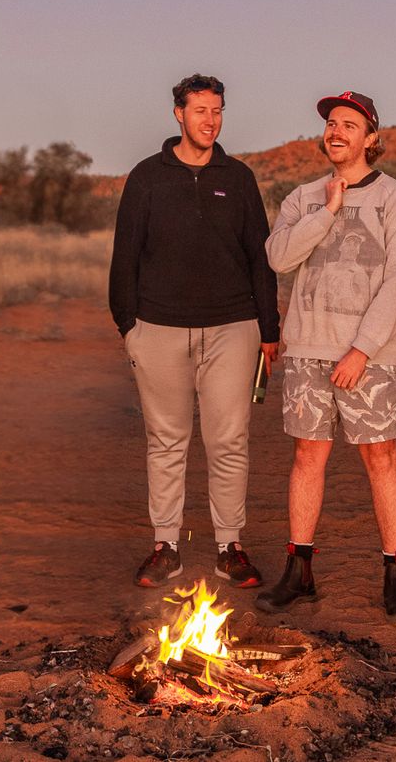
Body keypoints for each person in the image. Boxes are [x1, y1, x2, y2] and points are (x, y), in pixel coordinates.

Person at [109, 74, 280, 589]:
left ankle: (231, 547)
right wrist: (128, 326)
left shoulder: (240, 177)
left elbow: (260, 257)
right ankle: (166, 547)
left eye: (218, 110)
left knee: (229, 440)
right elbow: (125, 256)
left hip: (233, 328)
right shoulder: (147, 178)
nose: (211, 120)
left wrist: (268, 330)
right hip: (158, 329)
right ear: (178, 114)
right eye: (201, 110)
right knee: (166, 440)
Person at [260, 91, 396, 623]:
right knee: (308, 456)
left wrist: (362, 349)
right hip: (308, 348)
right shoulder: (304, 196)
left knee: (381, 458)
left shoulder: (394, 199)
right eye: (332, 123)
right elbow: (278, 257)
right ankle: (299, 569)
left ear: (371, 139)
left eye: (349, 125)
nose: (336, 131)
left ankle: (395, 573)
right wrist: (328, 211)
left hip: (370, 356)